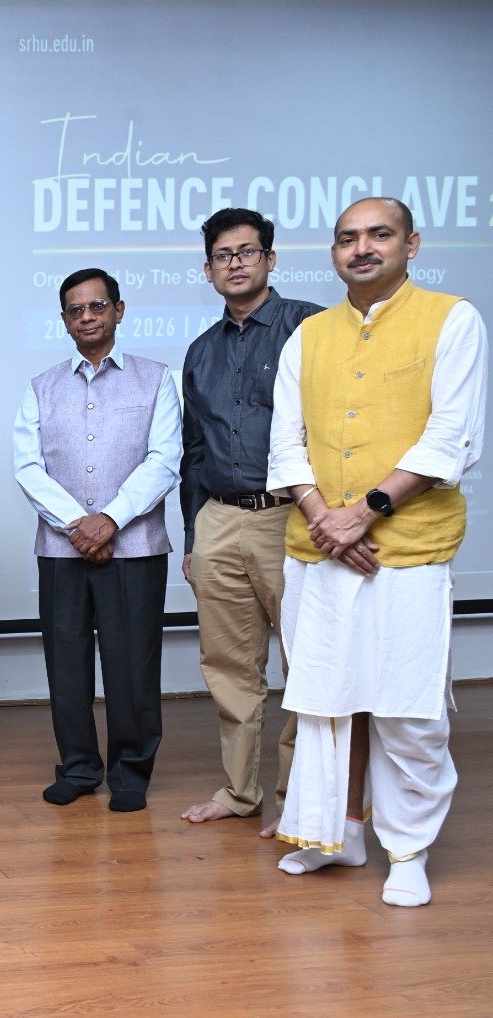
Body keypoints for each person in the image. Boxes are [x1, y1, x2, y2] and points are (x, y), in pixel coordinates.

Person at [269, 196, 486, 907]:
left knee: (407, 710)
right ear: (334, 253)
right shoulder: (308, 336)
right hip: (318, 549)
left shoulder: (452, 319)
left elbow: (451, 437)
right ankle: (337, 833)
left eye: (379, 235)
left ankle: (409, 849)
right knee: (324, 701)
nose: (361, 248)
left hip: (407, 551)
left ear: (411, 244)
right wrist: (325, 521)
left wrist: (363, 514)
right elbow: (285, 444)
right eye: (347, 238)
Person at [13, 267, 181, 813]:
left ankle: (130, 771)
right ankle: (79, 766)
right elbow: (28, 467)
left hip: (135, 547)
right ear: (64, 320)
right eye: (75, 309)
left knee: (132, 664)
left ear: (118, 310)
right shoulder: (41, 386)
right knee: (66, 663)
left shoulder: (157, 379)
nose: (87, 317)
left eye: (97, 306)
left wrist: (109, 519)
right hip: (62, 549)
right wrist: (78, 525)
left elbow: (164, 460)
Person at [179, 209, 322, 833]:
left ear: (270, 258)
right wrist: (193, 537)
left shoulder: (311, 327)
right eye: (223, 255)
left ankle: (299, 800)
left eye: (247, 251)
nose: (235, 263)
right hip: (218, 519)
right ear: (208, 269)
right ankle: (241, 792)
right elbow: (193, 452)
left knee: (306, 664)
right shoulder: (201, 351)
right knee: (229, 667)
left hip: (292, 517)